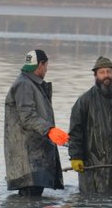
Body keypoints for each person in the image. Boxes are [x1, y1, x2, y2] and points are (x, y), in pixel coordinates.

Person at [68, 56, 112, 195]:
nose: (106, 76)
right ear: (95, 75)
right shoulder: (85, 100)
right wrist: (76, 156)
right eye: (102, 72)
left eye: (109, 72)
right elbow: (75, 132)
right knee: (96, 202)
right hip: (95, 166)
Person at [4, 49, 68, 197]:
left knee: (33, 201)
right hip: (28, 161)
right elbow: (27, 117)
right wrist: (49, 130)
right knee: (29, 201)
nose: (46, 69)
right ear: (41, 64)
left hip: (35, 158)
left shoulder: (31, 83)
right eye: (46, 65)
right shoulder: (25, 84)